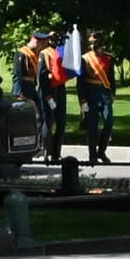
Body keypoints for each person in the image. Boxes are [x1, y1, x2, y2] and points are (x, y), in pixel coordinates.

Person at [78, 32, 116, 164]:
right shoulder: (85, 58)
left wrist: (113, 94)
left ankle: (102, 151)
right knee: (92, 125)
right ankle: (92, 154)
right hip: (90, 93)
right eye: (90, 42)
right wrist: (82, 99)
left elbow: (111, 78)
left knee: (109, 121)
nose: (92, 45)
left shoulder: (108, 58)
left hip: (104, 93)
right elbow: (81, 81)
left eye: (94, 42)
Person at [13, 31, 50, 153]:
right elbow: (18, 76)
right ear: (35, 40)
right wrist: (19, 93)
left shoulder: (37, 54)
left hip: (32, 87)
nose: (42, 45)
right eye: (41, 42)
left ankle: (38, 145)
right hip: (23, 89)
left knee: (40, 116)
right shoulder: (22, 53)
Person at [40, 29, 72, 162]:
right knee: (48, 121)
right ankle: (46, 151)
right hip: (49, 91)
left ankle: (56, 152)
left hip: (60, 89)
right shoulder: (44, 54)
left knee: (61, 122)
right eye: (51, 38)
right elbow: (41, 76)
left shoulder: (61, 52)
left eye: (56, 37)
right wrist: (47, 95)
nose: (54, 40)